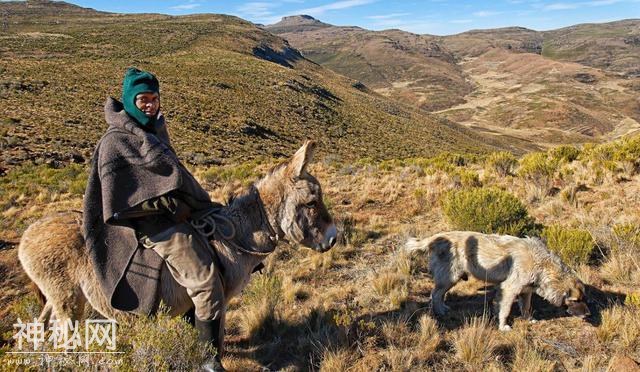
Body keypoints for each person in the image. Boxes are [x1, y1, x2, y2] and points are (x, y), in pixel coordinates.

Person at [82, 67, 225, 371]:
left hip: (173, 212)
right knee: (206, 280)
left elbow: (170, 175)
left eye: (154, 98)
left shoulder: (153, 131)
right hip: (151, 223)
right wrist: (171, 207)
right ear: (130, 101)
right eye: (143, 99)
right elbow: (117, 202)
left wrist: (190, 200)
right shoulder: (115, 142)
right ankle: (209, 362)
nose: (150, 105)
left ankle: (191, 336)